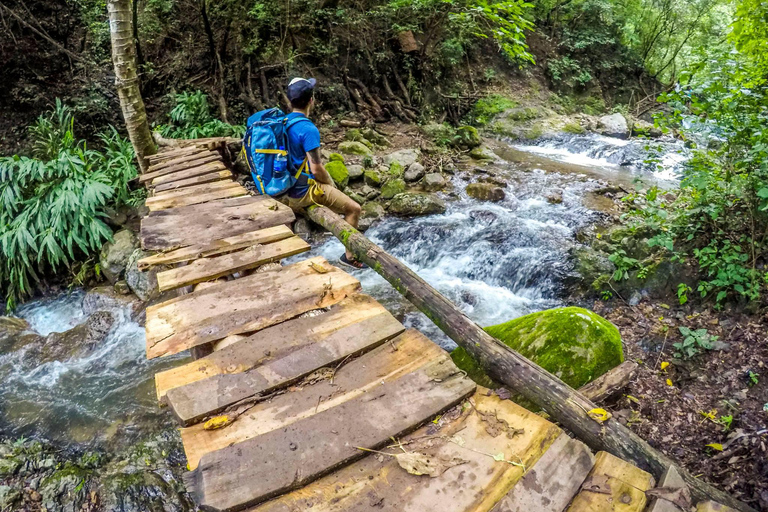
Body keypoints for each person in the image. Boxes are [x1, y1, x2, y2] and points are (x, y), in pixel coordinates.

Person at [283, 77, 367, 270]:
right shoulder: (307, 129)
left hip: (282, 188)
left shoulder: (282, 122)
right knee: (354, 209)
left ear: (289, 101)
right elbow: (316, 169)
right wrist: (330, 183)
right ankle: (349, 256)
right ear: (311, 100)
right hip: (300, 193)